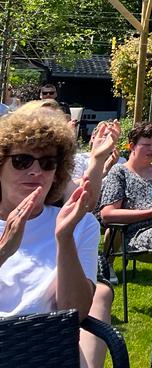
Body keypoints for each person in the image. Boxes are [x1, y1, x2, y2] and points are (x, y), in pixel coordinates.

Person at [0, 108, 98, 359]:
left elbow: (76, 312)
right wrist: (4, 250)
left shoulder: (80, 224)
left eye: (47, 163)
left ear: (57, 173)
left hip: (45, 350)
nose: (36, 171)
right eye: (21, 161)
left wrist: (64, 239)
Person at [98, 121, 152, 252]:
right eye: (147, 145)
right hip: (135, 234)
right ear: (132, 146)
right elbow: (107, 214)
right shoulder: (120, 171)